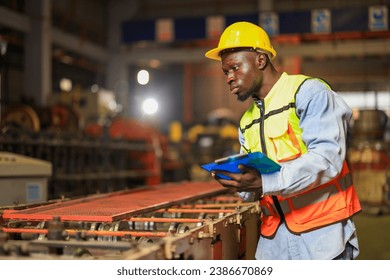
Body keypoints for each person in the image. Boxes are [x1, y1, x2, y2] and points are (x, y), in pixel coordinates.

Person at [204, 21, 362, 260]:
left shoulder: (308, 93)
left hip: (322, 236)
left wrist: (264, 180)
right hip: (274, 241)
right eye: (226, 72)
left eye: (235, 68)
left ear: (260, 60)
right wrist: (240, 183)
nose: (229, 78)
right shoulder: (247, 121)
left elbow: (327, 160)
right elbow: (256, 188)